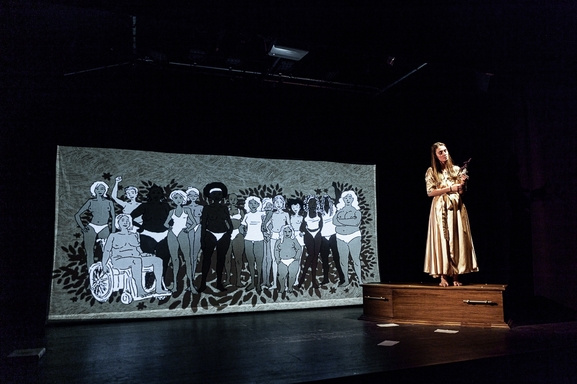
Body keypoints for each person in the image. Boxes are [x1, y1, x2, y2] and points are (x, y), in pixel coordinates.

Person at [424, 142, 478, 287]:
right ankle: (443, 276)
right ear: (435, 156)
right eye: (440, 152)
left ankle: (456, 276)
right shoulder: (432, 171)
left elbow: (461, 192)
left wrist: (462, 184)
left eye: (445, 151)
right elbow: (430, 192)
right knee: (442, 240)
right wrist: (450, 188)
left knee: (456, 238)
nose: (444, 154)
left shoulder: (455, 169)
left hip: (456, 208)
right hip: (440, 208)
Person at [102, 214, 170, 298]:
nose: (125, 222)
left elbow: (138, 250)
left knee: (157, 260)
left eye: (127, 221)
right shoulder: (113, 236)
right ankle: (139, 290)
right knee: (136, 261)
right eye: (122, 220)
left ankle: (159, 288)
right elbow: (107, 251)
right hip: (119, 260)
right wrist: (104, 264)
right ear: (118, 223)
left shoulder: (134, 235)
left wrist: (144, 255)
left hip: (136, 258)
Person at [198, 182, 233, 293]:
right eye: (214, 194)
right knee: (206, 259)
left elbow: (228, 221)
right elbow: (203, 224)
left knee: (221, 259)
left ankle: (219, 283)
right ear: (210, 196)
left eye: (219, 194)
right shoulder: (207, 208)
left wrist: (229, 232)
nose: (217, 196)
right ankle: (203, 283)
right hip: (210, 234)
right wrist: (202, 239)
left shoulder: (224, 208)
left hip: (223, 235)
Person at [75, 181, 116, 267]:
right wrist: (83, 227)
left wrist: (113, 231)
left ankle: (106, 270)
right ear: (94, 190)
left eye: (102, 188)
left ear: (105, 190)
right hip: (92, 227)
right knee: (89, 251)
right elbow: (77, 215)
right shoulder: (90, 202)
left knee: (107, 250)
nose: (100, 190)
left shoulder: (109, 202)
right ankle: (91, 272)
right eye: (98, 189)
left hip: (104, 227)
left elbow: (113, 217)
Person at [164, 190, 194, 291]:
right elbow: (165, 224)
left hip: (183, 233)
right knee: (174, 260)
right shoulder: (171, 212)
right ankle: (175, 286)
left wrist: (188, 229)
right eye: (176, 198)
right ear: (173, 200)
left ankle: (191, 285)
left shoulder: (187, 210)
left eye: (180, 198)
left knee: (188, 259)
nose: (178, 200)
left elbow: (194, 223)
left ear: (184, 199)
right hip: (172, 234)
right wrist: (169, 228)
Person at [333, 190, 363, 286]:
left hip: (354, 236)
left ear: (353, 199)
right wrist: (349, 221)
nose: (348, 199)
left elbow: (356, 222)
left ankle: (360, 280)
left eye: (350, 197)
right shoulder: (339, 211)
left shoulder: (356, 211)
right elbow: (334, 222)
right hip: (340, 237)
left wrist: (341, 221)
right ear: (343, 199)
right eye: (346, 198)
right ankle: (346, 280)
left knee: (356, 259)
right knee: (343, 260)